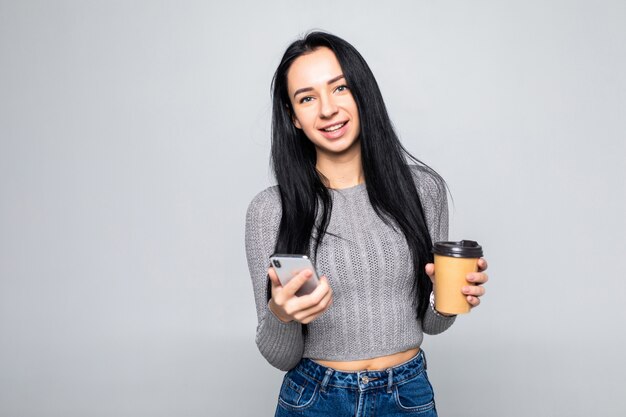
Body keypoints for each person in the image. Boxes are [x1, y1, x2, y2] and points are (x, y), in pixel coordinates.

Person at [245, 31, 489, 417]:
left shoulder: (423, 191)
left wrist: (450, 298)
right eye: (307, 98)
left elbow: (431, 324)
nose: (327, 109)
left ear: (362, 93)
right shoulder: (270, 210)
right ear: (293, 117)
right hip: (314, 398)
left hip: (405, 395)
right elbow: (281, 356)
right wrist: (282, 315)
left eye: (339, 88)